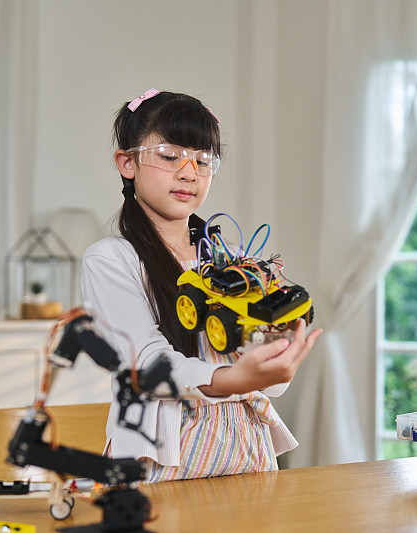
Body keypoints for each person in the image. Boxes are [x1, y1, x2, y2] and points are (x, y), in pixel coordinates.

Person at [81, 89, 322, 482]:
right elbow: (147, 365)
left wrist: (276, 345)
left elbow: (270, 384)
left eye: (203, 159)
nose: (189, 171)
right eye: (169, 155)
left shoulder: (234, 259)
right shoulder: (111, 259)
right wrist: (235, 380)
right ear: (127, 163)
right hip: (164, 464)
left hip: (248, 453)